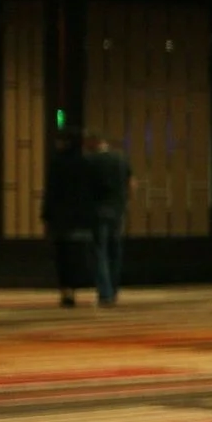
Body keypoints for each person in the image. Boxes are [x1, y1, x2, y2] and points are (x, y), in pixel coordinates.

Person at [41, 130, 96, 307]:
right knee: (76, 256)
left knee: (62, 256)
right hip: (80, 218)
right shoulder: (86, 163)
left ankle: (66, 290)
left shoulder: (57, 163)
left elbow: (51, 192)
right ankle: (73, 289)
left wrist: (46, 216)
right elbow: (91, 193)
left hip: (60, 218)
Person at [81, 130, 133, 307]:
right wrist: (124, 203)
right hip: (117, 210)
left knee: (99, 252)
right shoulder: (121, 159)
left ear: (92, 142)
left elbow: (84, 189)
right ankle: (114, 289)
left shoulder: (90, 161)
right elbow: (131, 184)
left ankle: (105, 293)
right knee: (115, 251)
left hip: (97, 211)